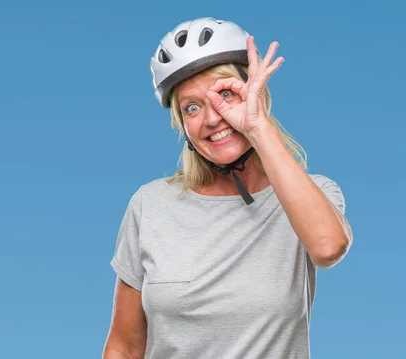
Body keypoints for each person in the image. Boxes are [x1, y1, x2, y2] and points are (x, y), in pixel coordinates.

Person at [102, 17, 353, 359]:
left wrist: (257, 127)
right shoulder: (149, 205)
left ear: (255, 94)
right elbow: (125, 346)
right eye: (192, 107)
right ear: (181, 125)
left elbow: (328, 247)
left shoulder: (312, 193)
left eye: (225, 94)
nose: (212, 118)